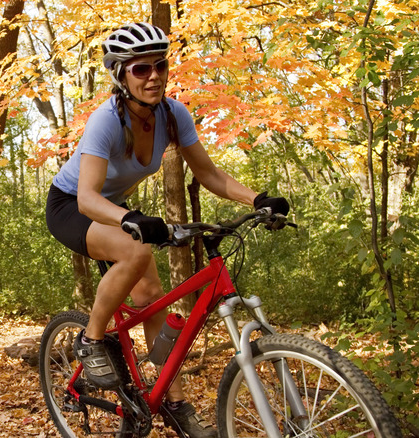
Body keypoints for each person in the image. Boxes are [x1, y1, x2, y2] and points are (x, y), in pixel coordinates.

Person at [44, 23, 290, 438]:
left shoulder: (173, 114)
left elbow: (209, 173)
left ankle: (172, 403)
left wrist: (257, 199)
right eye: (141, 69)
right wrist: (128, 220)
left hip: (115, 210)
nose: (154, 75)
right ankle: (90, 339)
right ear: (120, 74)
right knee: (137, 254)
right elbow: (87, 198)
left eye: (160, 65)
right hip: (72, 205)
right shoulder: (106, 120)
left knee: (153, 300)